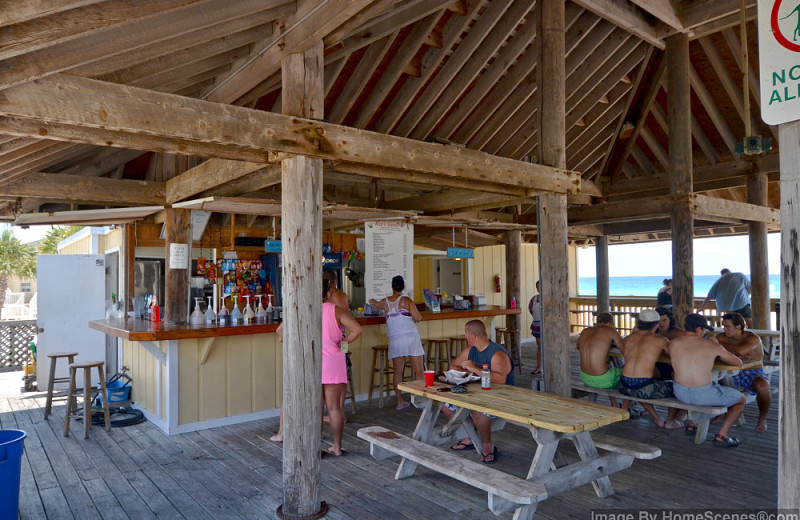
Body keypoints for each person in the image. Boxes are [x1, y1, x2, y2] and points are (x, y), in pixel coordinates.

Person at [270, 278, 363, 456]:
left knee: (316, 409)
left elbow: (280, 332)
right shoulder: (335, 310)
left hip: (312, 362)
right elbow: (357, 329)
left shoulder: (303, 310)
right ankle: (337, 446)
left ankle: (315, 447)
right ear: (328, 293)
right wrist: (343, 341)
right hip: (334, 362)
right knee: (334, 408)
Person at [670, 314, 745, 447]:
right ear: (699, 329)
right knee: (741, 399)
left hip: (680, 392)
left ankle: (692, 425)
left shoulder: (673, 343)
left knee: (708, 386)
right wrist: (718, 346)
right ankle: (722, 435)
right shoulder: (710, 345)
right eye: (704, 330)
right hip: (703, 395)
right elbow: (738, 362)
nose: (704, 333)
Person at [443, 320, 513, 464]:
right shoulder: (470, 350)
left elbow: (500, 379)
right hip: (477, 393)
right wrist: (470, 371)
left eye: (466, 334)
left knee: (478, 411)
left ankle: (487, 444)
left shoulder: (496, 353)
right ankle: (471, 434)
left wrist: (474, 369)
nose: (465, 337)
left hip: (502, 397)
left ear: (473, 336)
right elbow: (453, 366)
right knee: (445, 405)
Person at [368, 275, 425, 410]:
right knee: (418, 371)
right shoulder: (407, 301)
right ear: (403, 287)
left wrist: (372, 300)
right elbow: (418, 318)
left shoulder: (384, 302)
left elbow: (375, 304)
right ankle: (419, 400)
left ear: (392, 287)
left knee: (398, 372)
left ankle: (400, 401)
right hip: (411, 338)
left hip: (395, 340)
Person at [618, 309, 682, 428]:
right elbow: (675, 356)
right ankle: (671, 421)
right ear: (656, 324)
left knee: (637, 388)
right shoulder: (660, 340)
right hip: (644, 388)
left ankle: (656, 418)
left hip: (623, 386)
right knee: (676, 386)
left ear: (639, 323)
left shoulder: (627, 339)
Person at [713, 312, 770, 433]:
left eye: (727, 326)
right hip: (727, 372)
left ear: (738, 326)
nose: (724, 329)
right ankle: (720, 412)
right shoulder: (722, 337)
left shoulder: (752, 338)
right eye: (723, 326)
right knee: (709, 378)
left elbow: (741, 350)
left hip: (751, 371)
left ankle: (762, 418)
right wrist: (727, 350)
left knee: (763, 386)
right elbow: (710, 345)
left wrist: (721, 347)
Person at [576, 312, 625, 406]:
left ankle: (614, 403)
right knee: (630, 374)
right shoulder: (610, 331)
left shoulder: (585, 331)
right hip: (603, 381)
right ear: (611, 324)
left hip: (585, 378)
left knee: (609, 367)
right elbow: (624, 350)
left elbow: (578, 346)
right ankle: (629, 407)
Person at [528, 280, 543, 375]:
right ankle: (539, 366)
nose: (539, 288)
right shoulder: (533, 299)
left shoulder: (548, 298)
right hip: (537, 325)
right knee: (539, 346)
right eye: (538, 286)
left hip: (547, 325)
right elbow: (531, 310)